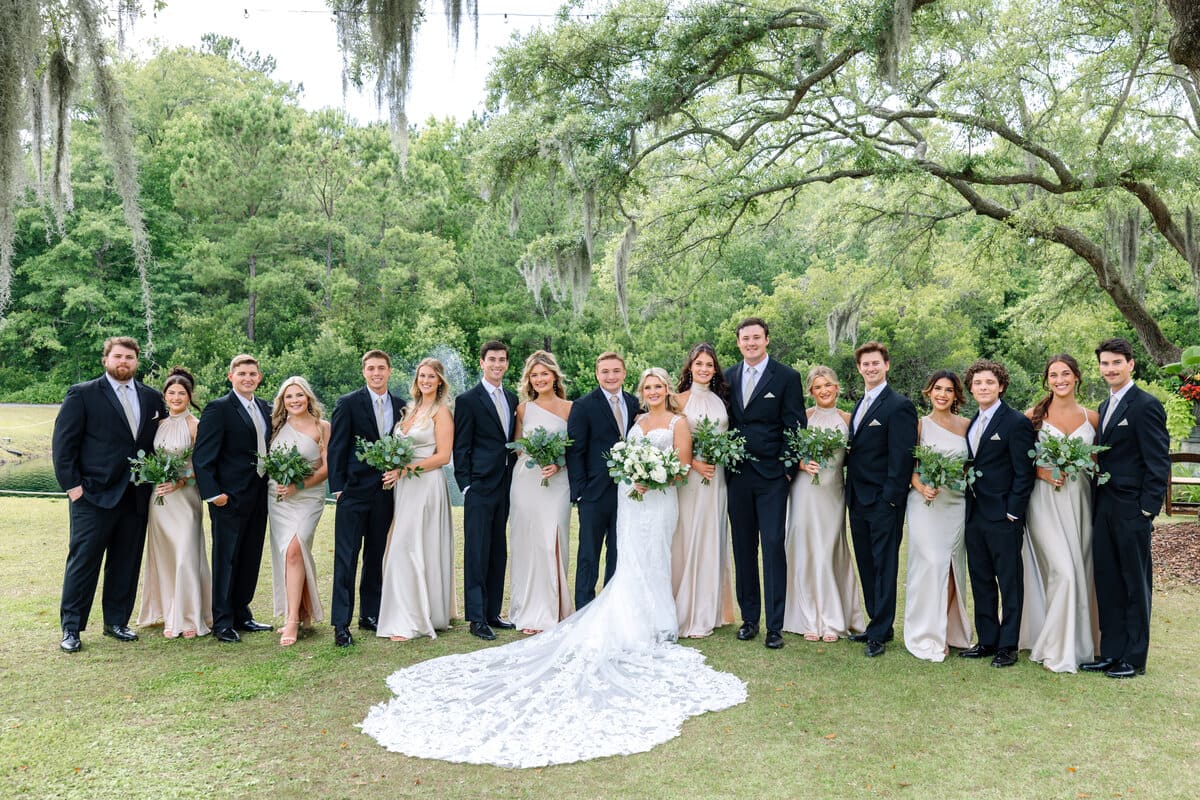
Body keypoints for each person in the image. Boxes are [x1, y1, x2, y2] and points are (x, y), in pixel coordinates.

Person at [361, 367, 746, 768]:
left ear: (666, 389)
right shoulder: (637, 420)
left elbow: (681, 465)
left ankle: (652, 619)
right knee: (630, 558)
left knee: (651, 558)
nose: (651, 392)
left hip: (656, 499)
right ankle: (607, 613)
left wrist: (652, 475)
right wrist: (631, 477)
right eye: (646, 387)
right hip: (628, 497)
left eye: (657, 386)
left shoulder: (676, 422)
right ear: (641, 390)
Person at [52, 336, 167, 652]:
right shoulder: (83, 394)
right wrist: (73, 488)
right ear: (106, 359)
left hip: (135, 496)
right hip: (92, 496)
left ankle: (116, 622)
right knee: (83, 562)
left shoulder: (152, 398)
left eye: (129, 357)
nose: (123, 362)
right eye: (118, 356)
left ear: (136, 361)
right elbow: (64, 446)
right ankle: (72, 628)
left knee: (126, 561)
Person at [1080, 338, 1170, 679]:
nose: (1110, 369)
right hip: (1103, 509)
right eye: (1105, 363)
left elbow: (1158, 462)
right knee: (1108, 582)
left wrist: (1146, 510)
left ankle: (1134, 658)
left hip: (1132, 510)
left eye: (1117, 362)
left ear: (1131, 364)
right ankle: (1111, 652)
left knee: (1134, 584)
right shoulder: (1105, 406)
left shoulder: (1145, 405)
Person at [725, 318, 805, 650]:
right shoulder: (727, 377)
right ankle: (749, 619)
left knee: (773, 546)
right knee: (743, 548)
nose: (751, 343)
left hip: (773, 477)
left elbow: (795, 425)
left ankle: (775, 626)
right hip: (738, 476)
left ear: (767, 340)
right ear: (739, 343)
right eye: (745, 339)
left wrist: (787, 470)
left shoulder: (786, 377)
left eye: (757, 337)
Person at [1018, 355, 1100, 672]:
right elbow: (1019, 462)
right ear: (1047, 380)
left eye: (1065, 373)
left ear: (1077, 377)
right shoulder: (1032, 418)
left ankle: (1080, 646)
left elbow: (1100, 461)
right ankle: (1055, 649)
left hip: (1080, 504)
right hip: (1043, 504)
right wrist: (1040, 471)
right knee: (1063, 572)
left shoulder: (1092, 418)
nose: (1060, 379)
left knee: (1079, 573)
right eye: (1053, 375)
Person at [959, 358, 1036, 668]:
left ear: (1001, 386)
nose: (983, 387)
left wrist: (1013, 513)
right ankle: (987, 640)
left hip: (1003, 516)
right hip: (974, 513)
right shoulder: (971, 423)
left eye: (989, 382)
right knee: (981, 580)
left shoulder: (1015, 422)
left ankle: (1008, 645)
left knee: (1009, 582)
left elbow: (1023, 472)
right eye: (977, 383)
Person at [193, 354, 275, 644]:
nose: (247, 378)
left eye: (252, 373)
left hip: (260, 494)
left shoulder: (266, 408)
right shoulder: (219, 408)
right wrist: (215, 495)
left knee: (250, 555)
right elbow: (202, 457)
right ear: (231, 377)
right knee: (226, 558)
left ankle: (243, 612)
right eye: (241, 373)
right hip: (228, 498)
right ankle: (223, 621)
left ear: (259, 377)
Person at [326, 350, 406, 647]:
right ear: (364, 372)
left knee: (375, 556)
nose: (376, 373)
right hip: (353, 492)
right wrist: (339, 488)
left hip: (385, 494)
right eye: (371, 368)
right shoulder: (347, 403)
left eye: (381, 368)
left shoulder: (401, 407)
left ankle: (369, 614)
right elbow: (337, 447)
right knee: (346, 559)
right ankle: (340, 624)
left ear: (389, 371)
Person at [844, 342, 917, 657]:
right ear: (859, 368)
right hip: (857, 499)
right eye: (865, 364)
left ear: (886, 365)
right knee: (867, 563)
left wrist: (890, 498)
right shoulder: (860, 403)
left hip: (883, 501)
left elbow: (902, 457)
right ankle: (879, 625)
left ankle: (879, 631)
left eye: (876, 363)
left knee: (885, 565)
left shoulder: (899, 405)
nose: (870, 368)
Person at [783, 365, 864, 643]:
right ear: (810, 392)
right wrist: (800, 463)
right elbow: (787, 451)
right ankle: (806, 617)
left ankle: (832, 618)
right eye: (818, 387)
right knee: (804, 548)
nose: (824, 390)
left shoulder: (848, 419)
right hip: (805, 490)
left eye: (828, 385)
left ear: (837, 387)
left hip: (833, 492)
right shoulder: (802, 418)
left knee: (829, 548)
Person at [377, 358, 456, 641]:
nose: (426, 380)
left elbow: (443, 456)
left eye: (431, 377)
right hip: (405, 487)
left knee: (410, 547)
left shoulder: (441, 412)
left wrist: (404, 469)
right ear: (416, 379)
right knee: (400, 545)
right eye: (422, 375)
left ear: (439, 382)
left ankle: (414, 619)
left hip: (426, 484)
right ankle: (409, 611)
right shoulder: (409, 410)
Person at [136, 367, 213, 639]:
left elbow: (203, 466)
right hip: (160, 500)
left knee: (185, 554)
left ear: (190, 396)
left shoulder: (196, 425)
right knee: (167, 556)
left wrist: (180, 482)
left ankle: (192, 617)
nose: (176, 397)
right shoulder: (158, 425)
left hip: (186, 498)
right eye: (171, 392)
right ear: (165, 396)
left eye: (182, 393)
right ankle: (171, 613)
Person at [903, 370, 972, 662]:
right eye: (937, 389)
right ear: (928, 392)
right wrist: (920, 485)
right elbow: (905, 464)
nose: (942, 394)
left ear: (956, 395)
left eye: (948, 390)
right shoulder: (919, 426)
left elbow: (974, 463)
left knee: (951, 565)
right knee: (930, 562)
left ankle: (943, 629)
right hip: (924, 503)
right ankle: (925, 632)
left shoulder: (969, 425)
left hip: (955, 502)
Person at [453, 341, 519, 641]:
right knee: (477, 550)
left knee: (497, 549)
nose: (497, 364)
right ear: (482, 362)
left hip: (506, 484)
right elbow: (461, 446)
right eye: (492, 359)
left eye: (502, 360)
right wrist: (466, 484)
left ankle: (493, 611)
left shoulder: (512, 397)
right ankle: (477, 618)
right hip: (479, 486)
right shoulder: (468, 400)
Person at [566, 351, 640, 609]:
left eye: (616, 371)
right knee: (588, 552)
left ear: (624, 373)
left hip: (627, 492)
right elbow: (575, 450)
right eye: (605, 371)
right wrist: (579, 492)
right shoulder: (583, 406)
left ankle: (611, 606)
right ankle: (584, 607)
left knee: (618, 551)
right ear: (597, 374)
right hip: (594, 493)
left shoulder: (634, 403)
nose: (611, 376)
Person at [508, 350, 574, 635]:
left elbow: (575, 447)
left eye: (544, 374)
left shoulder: (571, 407)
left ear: (554, 376)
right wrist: (537, 454)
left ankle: (556, 608)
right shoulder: (523, 409)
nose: (539, 379)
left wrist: (558, 463)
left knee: (553, 540)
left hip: (558, 481)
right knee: (529, 542)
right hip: (527, 480)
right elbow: (518, 446)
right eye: (534, 375)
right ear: (529, 380)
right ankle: (530, 609)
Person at [672, 343, 736, 638]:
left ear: (715, 369)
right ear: (690, 367)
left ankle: (709, 610)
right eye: (699, 364)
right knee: (688, 535)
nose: (704, 369)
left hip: (717, 478)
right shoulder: (678, 400)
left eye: (709, 365)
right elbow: (669, 438)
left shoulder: (721, 401)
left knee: (712, 534)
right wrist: (693, 463)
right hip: (690, 478)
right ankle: (683, 609)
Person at [266, 376, 330, 647]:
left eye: (299, 395)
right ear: (283, 401)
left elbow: (328, 468)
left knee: (296, 547)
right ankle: (300, 612)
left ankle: (292, 620)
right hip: (278, 498)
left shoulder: (322, 426)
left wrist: (299, 484)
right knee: (290, 553)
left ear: (308, 398)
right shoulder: (275, 427)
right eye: (289, 396)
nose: (294, 400)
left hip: (308, 496)